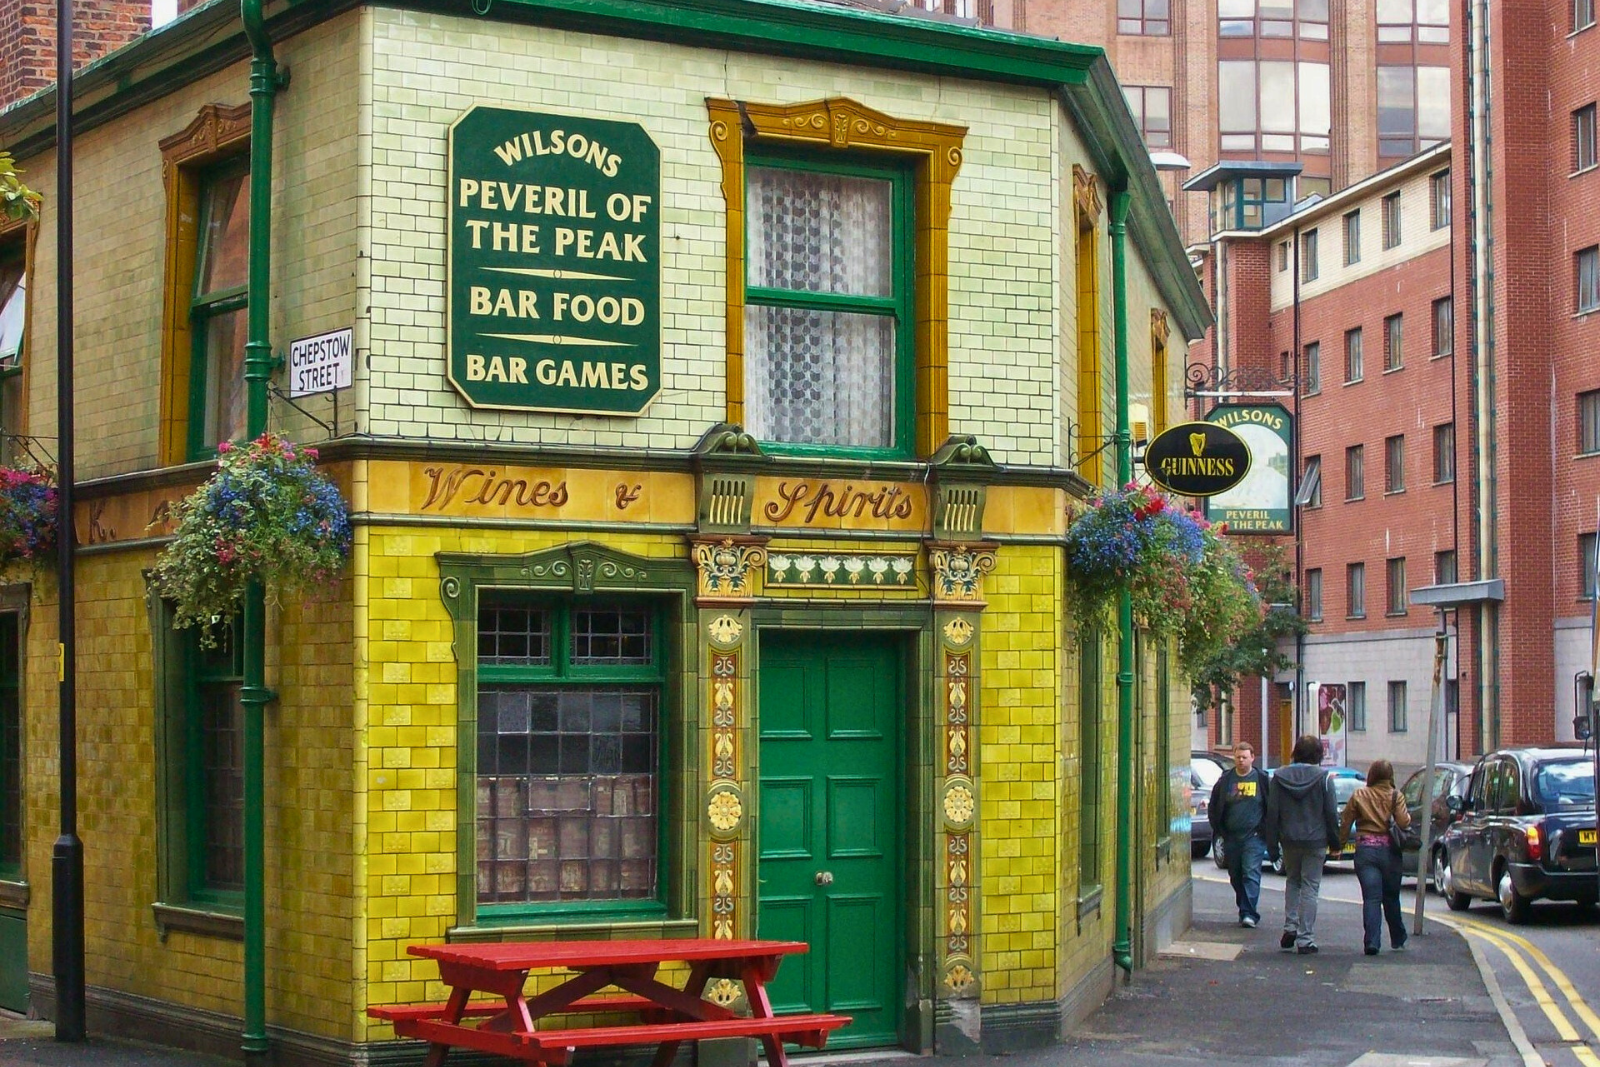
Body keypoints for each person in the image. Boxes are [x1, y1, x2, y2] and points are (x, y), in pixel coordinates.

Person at [1264, 734, 1340, 954]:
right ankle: (1305, 938)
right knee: (1310, 887)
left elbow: (1272, 813)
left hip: (1288, 840)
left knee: (1293, 881)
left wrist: (1271, 845)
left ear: (1295, 752)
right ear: (1319, 755)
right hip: (1315, 840)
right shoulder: (1324, 778)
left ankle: (1290, 926)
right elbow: (1330, 814)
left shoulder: (1279, 777)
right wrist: (1335, 842)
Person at [1341, 759, 1412, 955]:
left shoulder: (1359, 795)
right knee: (1391, 897)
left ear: (1371, 775)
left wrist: (1338, 845)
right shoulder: (1395, 795)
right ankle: (1398, 938)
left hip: (1365, 851)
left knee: (1371, 898)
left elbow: (1346, 822)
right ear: (1390, 776)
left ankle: (1372, 942)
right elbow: (1403, 822)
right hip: (1390, 852)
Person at [1209, 740, 1270, 928]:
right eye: (1238, 757)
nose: (1241, 761)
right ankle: (1244, 906)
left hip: (1254, 837)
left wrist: (1266, 830)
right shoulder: (1226, 780)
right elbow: (1214, 806)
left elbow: (1271, 807)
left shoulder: (1262, 780)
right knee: (1235, 875)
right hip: (1231, 836)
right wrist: (1220, 830)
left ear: (1252, 758)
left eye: (1244, 757)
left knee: (1251, 872)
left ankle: (1249, 913)